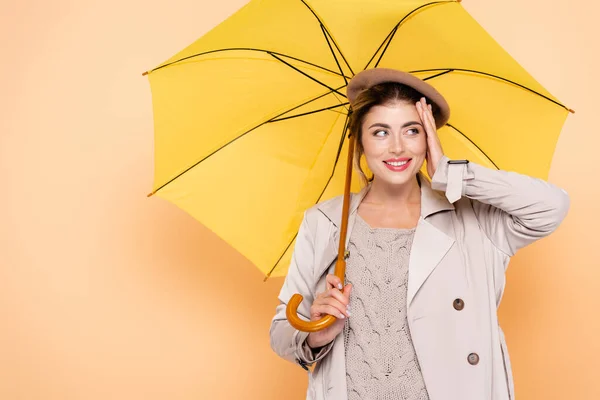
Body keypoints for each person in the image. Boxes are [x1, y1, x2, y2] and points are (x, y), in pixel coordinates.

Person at [269, 68, 570, 400]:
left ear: (429, 137)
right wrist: (316, 333)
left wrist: (452, 172)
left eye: (412, 130)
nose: (397, 147)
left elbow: (551, 206)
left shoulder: (473, 217)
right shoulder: (324, 222)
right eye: (380, 132)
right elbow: (281, 331)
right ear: (360, 141)